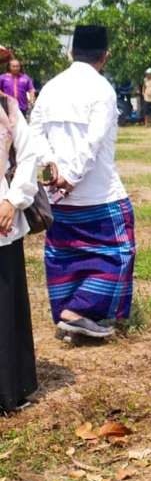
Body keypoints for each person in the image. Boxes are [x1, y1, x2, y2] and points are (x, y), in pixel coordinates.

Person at [31, 26, 134, 341]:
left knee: (65, 256)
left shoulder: (50, 88)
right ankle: (77, 312)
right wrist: (72, 177)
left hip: (58, 198)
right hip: (99, 194)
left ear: (71, 52)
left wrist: (53, 171)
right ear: (105, 56)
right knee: (119, 253)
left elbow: (33, 133)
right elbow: (93, 142)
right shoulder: (101, 89)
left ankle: (71, 313)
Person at [0, 45, 44, 413]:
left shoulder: (7, 108)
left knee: (6, 305)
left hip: (2, 217)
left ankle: (8, 391)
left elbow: (29, 154)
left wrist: (14, 199)